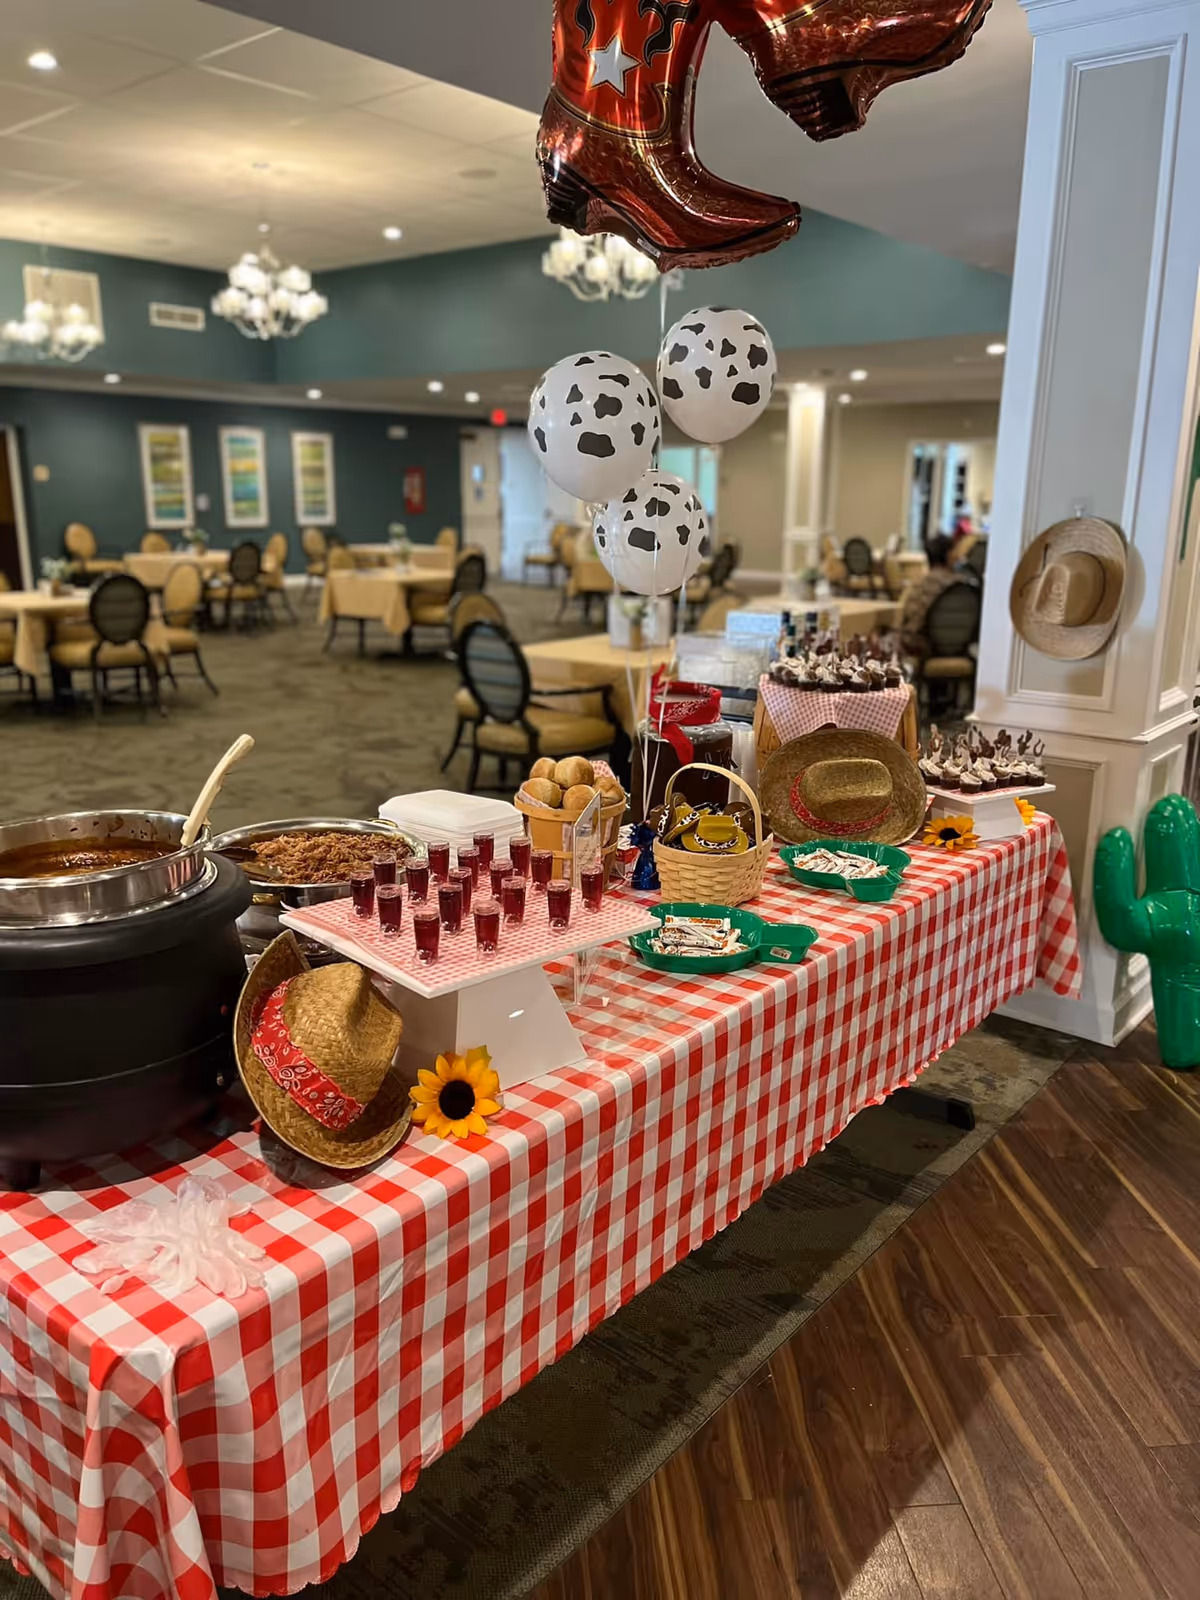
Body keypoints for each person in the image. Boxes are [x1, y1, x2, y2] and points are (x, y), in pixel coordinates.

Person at [899, 533, 959, 659]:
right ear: (948, 556)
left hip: (924, 648)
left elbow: (911, 621)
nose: (959, 556)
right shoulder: (961, 586)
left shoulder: (921, 586)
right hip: (957, 648)